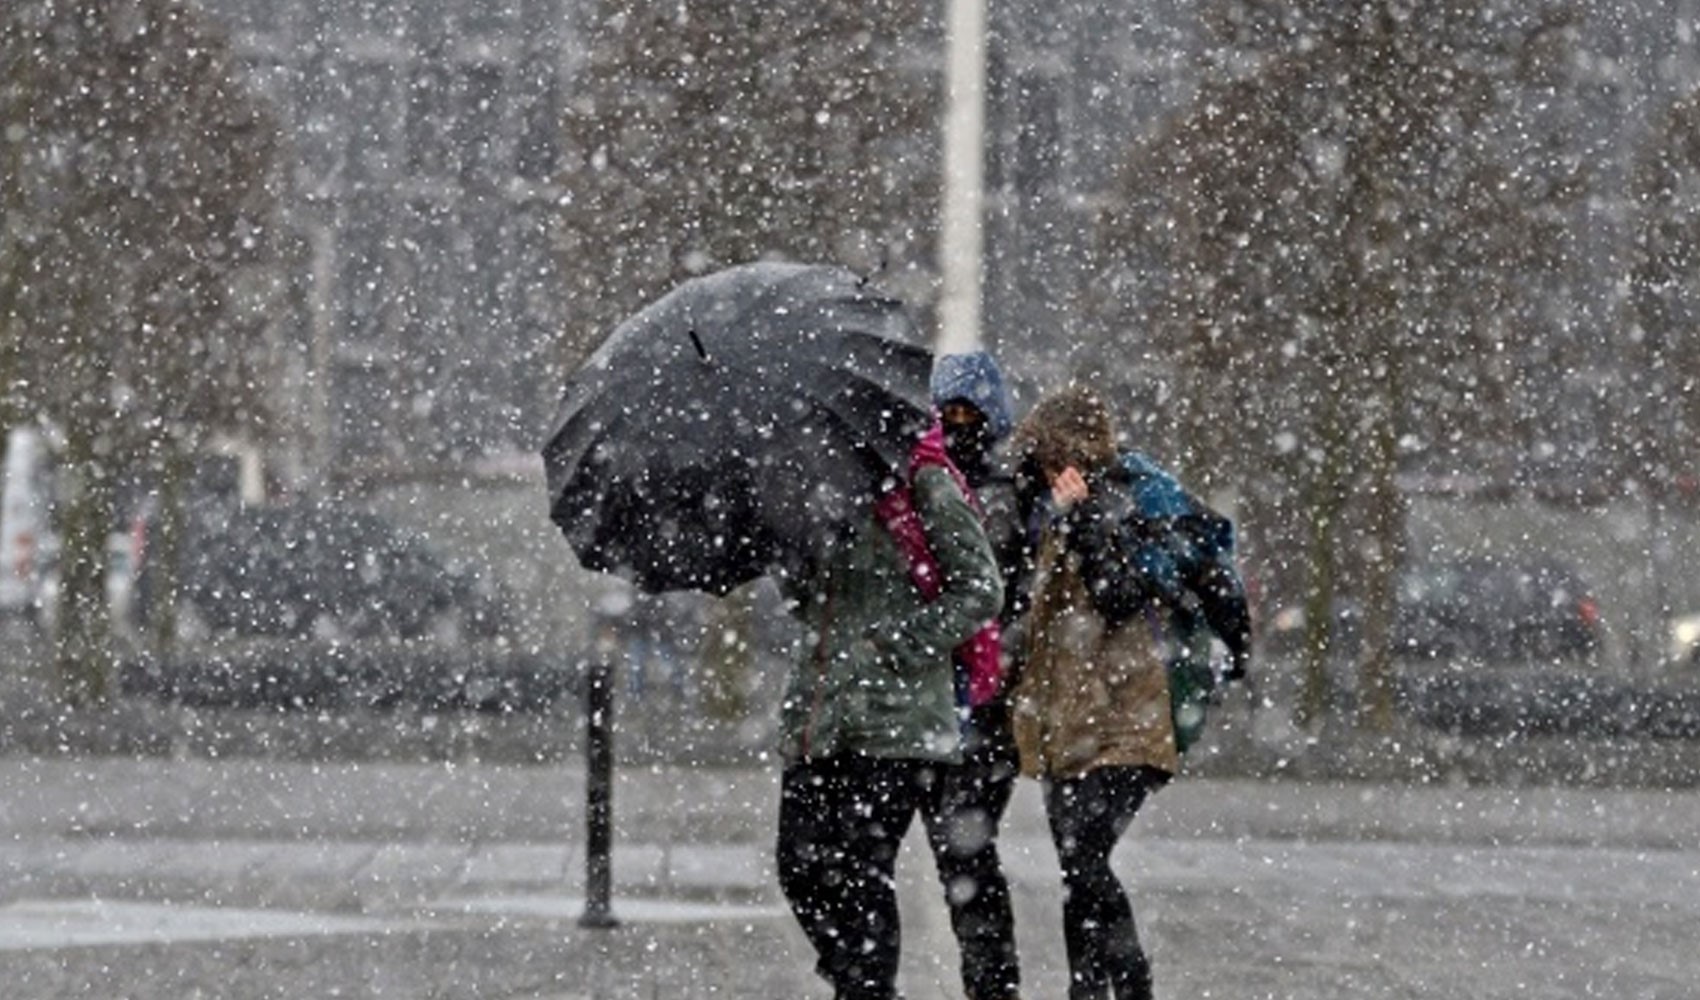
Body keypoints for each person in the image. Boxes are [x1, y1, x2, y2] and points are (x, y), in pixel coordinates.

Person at [1006, 385, 1249, 1000]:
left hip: (1133, 715)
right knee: (1077, 867)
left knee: (1085, 857)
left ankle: (1131, 984)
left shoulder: (1125, 501)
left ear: (1071, 452)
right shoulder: (1050, 506)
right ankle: (1087, 990)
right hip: (1071, 716)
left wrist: (1085, 521)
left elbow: (1120, 595)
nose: (1038, 471)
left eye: (1045, 456)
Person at [774, 416, 1005, 1000]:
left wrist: (900, 643)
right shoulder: (814, 485)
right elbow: (807, 601)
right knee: (798, 866)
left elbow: (981, 588)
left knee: (860, 874)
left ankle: (865, 987)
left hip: (896, 722)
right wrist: (794, 553)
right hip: (819, 717)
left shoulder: (924, 483)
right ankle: (860, 980)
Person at [920, 350, 1025, 1000]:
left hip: (982, 706)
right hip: (932, 701)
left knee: (968, 859)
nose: (960, 424)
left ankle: (993, 987)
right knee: (961, 859)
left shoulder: (1012, 491)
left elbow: (1009, 592)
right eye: (948, 412)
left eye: (971, 412)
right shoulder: (922, 483)